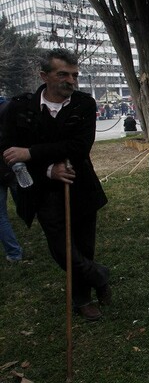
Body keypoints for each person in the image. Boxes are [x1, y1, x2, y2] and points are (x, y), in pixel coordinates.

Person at [0, 48, 111, 321]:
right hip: (43, 192)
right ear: (44, 75)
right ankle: (100, 276)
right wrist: (48, 168)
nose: (71, 81)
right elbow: (10, 151)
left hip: (81, 185)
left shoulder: (84, 104)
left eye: (74, 75)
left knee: (84, 247)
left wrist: (32, 152)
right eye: (63, 74)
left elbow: (79, 146)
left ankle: (82, 299)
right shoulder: (20, 108)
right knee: (62, 250)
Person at [0, 99, 24, 263]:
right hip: (13, 166)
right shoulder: (10, 108)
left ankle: (14, 253)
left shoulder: (10, 108)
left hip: (12, 166)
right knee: (24, 201)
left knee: (2, 216)